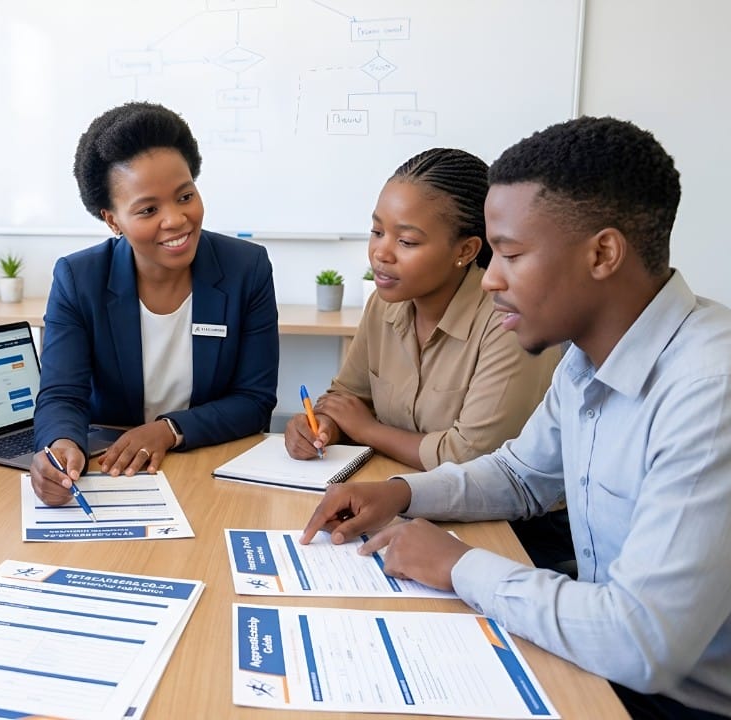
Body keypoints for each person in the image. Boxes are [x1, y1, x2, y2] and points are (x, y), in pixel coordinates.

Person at [302, 117, 731, 719]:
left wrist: (459, 565)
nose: (492, 279)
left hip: (672, 700)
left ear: (602, 253)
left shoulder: (709, 391)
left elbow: (641, 641)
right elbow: (520, 475)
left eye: (509, 254)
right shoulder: (586, 358)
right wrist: (401, 492)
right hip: (601, 662)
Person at [31, 101, 278, 505]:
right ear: (113, 220)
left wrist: (169, 430)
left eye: (185, 196)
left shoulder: (245, 268)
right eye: (148, 209)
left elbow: (254, 400)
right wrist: (61, 445)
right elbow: (62, 395)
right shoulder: (79, 279)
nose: (176, 219)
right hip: (114, 472)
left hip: (211, 467)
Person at [285, 148, 559, 472]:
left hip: (489, 504)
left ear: (465, 250)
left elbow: (472, 458)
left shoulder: (510, 321)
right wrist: (321, 427)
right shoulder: (383, 305)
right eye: (377, 232)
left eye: (407, 241)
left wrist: (367, 430)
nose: (381, 253)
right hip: (396, 488)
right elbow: (346, 400)